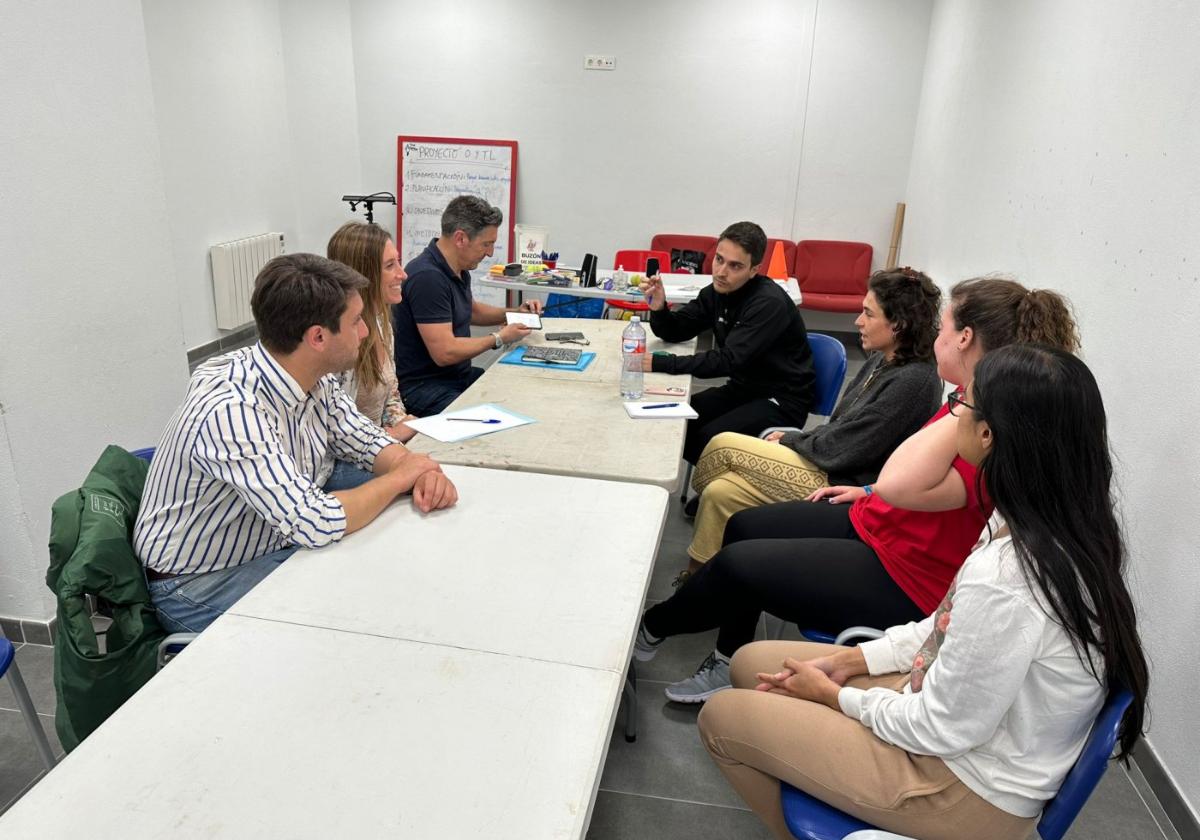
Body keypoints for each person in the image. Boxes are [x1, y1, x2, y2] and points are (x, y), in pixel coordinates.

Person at [696, 344, 1149, 840]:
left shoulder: (1011, 577)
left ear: (987, 434)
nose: (953, 412)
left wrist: (834, 696)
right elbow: (942, 626)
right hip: (956, 729)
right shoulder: (1041, 520)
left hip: (965, 790)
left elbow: (941, 730)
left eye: (962, 403)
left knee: (721, 718)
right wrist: (855, 662)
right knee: (751, 661)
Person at [633, 276, 1080, 704]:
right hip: (878, 521)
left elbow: (903, 481)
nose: (935, 337)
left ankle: (649, 629)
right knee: (744, 525)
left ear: (964, 339)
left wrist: (973, 397)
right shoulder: (966, 396)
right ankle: (727, 660)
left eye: (943, 327)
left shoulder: (987, 421)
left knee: (737, 567)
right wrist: (868, 493)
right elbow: (909, 482)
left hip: (907, 575)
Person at [135, 254, 458, 634]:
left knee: (382, 559)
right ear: (317, 337)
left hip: (265, 538)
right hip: (198, 582)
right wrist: (404, 476)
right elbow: (315, 522)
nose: (366, 333)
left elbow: (367, 442)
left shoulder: (312, 375)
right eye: (356, 322)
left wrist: (416, 470)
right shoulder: (231, 411)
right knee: (351, 612)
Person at [681, 268, 942, 577]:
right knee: (719, 493)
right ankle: (697, 580)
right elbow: (842, 427)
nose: (858, 321)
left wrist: (792, 440)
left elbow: (851, 447)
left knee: (723, 444)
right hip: (828, 462)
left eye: (868, 314)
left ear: (898, 325)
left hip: (842, 486)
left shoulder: (913, 381)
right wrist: (802, 441)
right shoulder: (884, 358)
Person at [640, 221, 814, 465]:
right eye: (719, 260)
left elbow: (728, 360)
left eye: (735, 266)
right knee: (674, 421)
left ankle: (722, 495)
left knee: (707, 441)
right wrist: (660, 307)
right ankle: (712, 481)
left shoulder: (767, 303)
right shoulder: (716, 291)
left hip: (781, 400)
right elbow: (676, 330)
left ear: (754, 270)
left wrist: (662, 362)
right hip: (743, 389)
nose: (721, 272)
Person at [393, 195, 543, 416]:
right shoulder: (427, 278)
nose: (490, 252)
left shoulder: (458, 267)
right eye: (486, 244)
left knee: (517, 398)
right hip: (425, 388)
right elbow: (444, 352)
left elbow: (471, 310)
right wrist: (499, 337)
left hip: (456, 378)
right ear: (461, 238)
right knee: (493, 421)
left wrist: (515, 313)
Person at [327, 221, 417, 442]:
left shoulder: (381, 322)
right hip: (349, 457)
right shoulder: (336, 341)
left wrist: (401, 422)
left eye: (398, 262)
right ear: (362, 274)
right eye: (389, 266)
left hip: (379, 443)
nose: (402, 274)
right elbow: (333, 436)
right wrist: (395, 435)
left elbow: (391, 394)